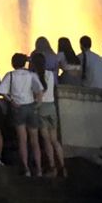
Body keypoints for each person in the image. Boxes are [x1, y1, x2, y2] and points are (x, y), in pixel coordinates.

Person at [0, 53, 43, 176]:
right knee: (34, 140)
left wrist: (12, 101)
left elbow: (2, 92)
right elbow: (39, 90)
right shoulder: (31, 75)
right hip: (31, 106)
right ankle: (39, 169)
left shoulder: (10, 75)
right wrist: (37, 104)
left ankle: (26, 168)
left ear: (13, 63)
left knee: (22, 140)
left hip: (18, 108)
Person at [30, 52, 67, 180]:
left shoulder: (33, 76)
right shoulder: (51, 74)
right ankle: (62, 166)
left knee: (46, 141)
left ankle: (52, 167)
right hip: (52, 107)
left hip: (41, 109)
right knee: (55, 140)